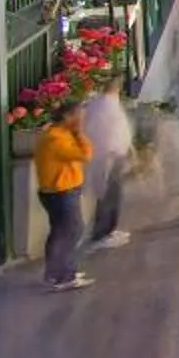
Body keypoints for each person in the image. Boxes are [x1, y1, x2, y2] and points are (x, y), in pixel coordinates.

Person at [32, 110, 94, 291]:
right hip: (61, 192)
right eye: (79, 116)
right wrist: (79, 133)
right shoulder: (56, 140)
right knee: (72, 231)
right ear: (67, 117)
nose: (82, 119)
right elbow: (86, 154)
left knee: (60, 232)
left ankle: (55, 273)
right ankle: (65, 276)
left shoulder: (57, 134)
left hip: (60, 190)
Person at [80, 86, 134, 250]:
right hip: (109, 158)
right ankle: (102, 233)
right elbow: (106, 134)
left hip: (113, 157)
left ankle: (108, 230)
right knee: (109, 195)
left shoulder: (105, 105)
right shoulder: (103, 107)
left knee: (113, 195)